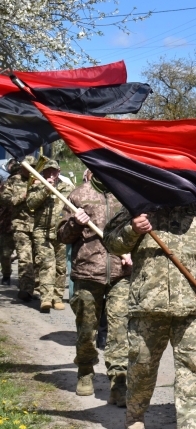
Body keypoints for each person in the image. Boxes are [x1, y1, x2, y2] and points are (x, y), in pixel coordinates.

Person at [103, 204, 196, 429]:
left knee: (190, 366)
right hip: (147, 304)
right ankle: (135, 412)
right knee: (142, 365)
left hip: (189, 303)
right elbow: (111, 241)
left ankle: (189, 424)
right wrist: (132, 229)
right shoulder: (137, 205)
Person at [58, 171, 131, 403]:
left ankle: (119, 381)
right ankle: (85, 371)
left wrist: (132, 249)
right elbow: (62, 236)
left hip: (121, 273)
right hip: (88, 273)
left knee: (120, 329)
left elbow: (138, 230)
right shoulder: (79, 195)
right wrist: (74, 223)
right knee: (87, 329)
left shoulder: (126, 194)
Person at [27, 159, 74, 312]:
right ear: (43, 172)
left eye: (54, 171)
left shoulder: (67, 187)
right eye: (48, 171)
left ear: (59, 172)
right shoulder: (37, 186)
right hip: (42, 232)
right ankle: (46, 299)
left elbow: (75, 205)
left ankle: (57, 297)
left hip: (61, 232)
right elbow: (31, 204)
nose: (51, 174)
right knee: (47, 265)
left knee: (61, 267)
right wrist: (45, 189)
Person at [1, 156, 36, 302]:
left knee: (38, 259)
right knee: (24, 258)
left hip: (39, 226)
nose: (31, 169)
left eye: (34, 166)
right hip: (19, 225)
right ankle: (26, 290)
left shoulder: (41, 180)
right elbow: (4, 198)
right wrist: (22, 196)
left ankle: (37, 287)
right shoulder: (13, 181)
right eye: (28, 166)